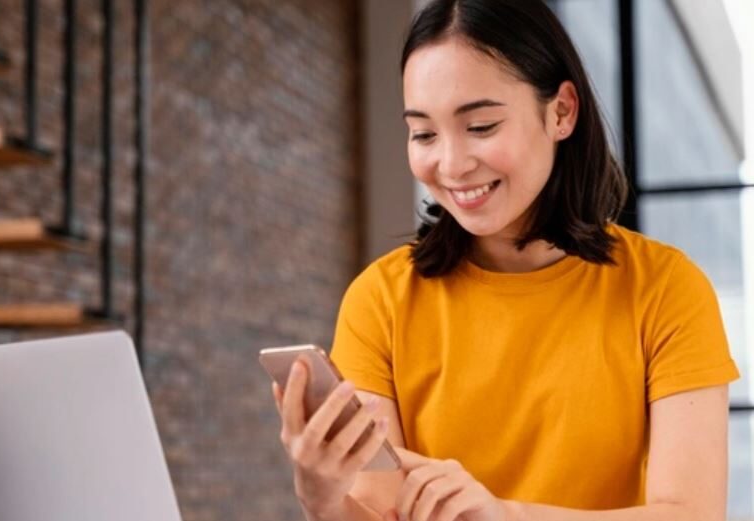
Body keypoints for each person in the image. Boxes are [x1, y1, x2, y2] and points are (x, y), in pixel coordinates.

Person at [270, 1, 741, 521]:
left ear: (561, 111)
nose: (450, 164)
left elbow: (692, 514)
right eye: (424, 133)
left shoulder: (665, 288)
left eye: (481, 126)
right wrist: (322, 497)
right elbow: (384, 513)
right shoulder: (380, 299)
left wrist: (506, 514)